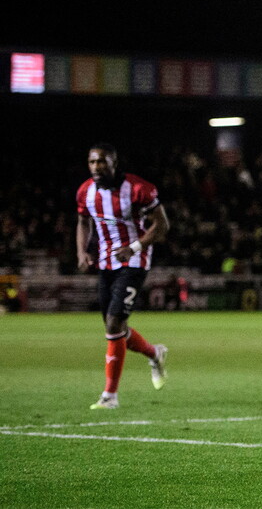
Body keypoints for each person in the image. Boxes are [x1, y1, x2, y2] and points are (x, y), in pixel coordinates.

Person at [76, 143, 170, 409]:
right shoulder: (86, 191)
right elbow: (83, 221)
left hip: (134, 261)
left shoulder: (139, 189)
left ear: (115, 162)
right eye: (93, 162)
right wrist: (82, 252)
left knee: (114, 323)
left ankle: (110, 396)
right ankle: (154, 353)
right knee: (114, 328)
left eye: (102, 162)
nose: (97, 167)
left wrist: (134, 247)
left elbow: (162, 225)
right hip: (106, 263)